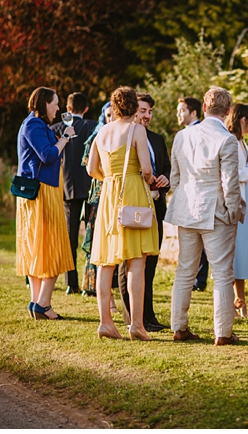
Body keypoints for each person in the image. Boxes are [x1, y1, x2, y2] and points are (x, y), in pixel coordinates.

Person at [167, 86, 244, 346]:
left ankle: (179, 327)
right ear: (229, 111)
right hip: (216, 213)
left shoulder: (182, 136)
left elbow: (175, 178)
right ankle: (222, 333)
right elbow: (230, 184)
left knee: (185, 271)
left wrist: (182, 202)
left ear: (203, 108)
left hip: (187, 209)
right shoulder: (227, 139)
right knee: (222, 273)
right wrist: (234, 213)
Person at [88, 86, 159, 340]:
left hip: (109, 195)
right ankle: (136, 325)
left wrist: (109, 179)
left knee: (106, 262)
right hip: (132, 194)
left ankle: (105, 322)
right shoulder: (136, 130)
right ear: (132, 106)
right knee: (136, 261)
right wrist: (144, 179)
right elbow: (148, 169)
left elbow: (91, 169)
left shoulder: (102, 131)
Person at [16, 86, 76, 320]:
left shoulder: (38, 125)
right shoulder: (33, 125)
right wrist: (65, 138)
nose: (58, 108)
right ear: (44, 104)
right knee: (50, 246)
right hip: (41, 194)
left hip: (43, 192)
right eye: (55, 103)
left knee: (38, 246)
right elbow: (48, 155)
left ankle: (37, 302)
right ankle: (43, 303)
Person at [116, 93, 170, 332]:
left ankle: (148, 317)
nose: (146, 116)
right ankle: (131, 317)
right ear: (132, 110)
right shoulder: (122, 136)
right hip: (132, 205)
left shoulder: (157, 139)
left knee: (150, 262)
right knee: (128, 261)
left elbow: (166, 168)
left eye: (149, 112)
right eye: (142, 110)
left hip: (155, 207)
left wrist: (165, 180)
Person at [52, 92, 98, 295]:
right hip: (90, 188)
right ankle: (91, 283)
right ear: (86, 109)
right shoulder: (93, 126)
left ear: (68, 109)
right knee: (93, 235)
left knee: (71, 236)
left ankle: (71, 282)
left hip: (68, 188)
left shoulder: (57, 129)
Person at [225, 104, 248, 318]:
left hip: (246, 203)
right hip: (235, 205)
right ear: (243, 119)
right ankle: (231, 304)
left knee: (243, 256)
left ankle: (241, 302)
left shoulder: (242, 142)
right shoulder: (230, 141)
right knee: (233, 255)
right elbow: (230, 173)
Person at [176, 96, 211, 293]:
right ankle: (198, 278)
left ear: (194, 112)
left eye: (182, 110)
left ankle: (200, 279)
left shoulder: (199, 134)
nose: (178, 114)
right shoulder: (183, 134)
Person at [80, 102, 113, 297]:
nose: (110, 119)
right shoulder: (98, 134)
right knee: (96, 240)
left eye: (113, 115)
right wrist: (107, 176)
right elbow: (87, 163)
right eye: (107, 115)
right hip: (100, 190)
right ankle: (92, 286)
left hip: (115, 189)